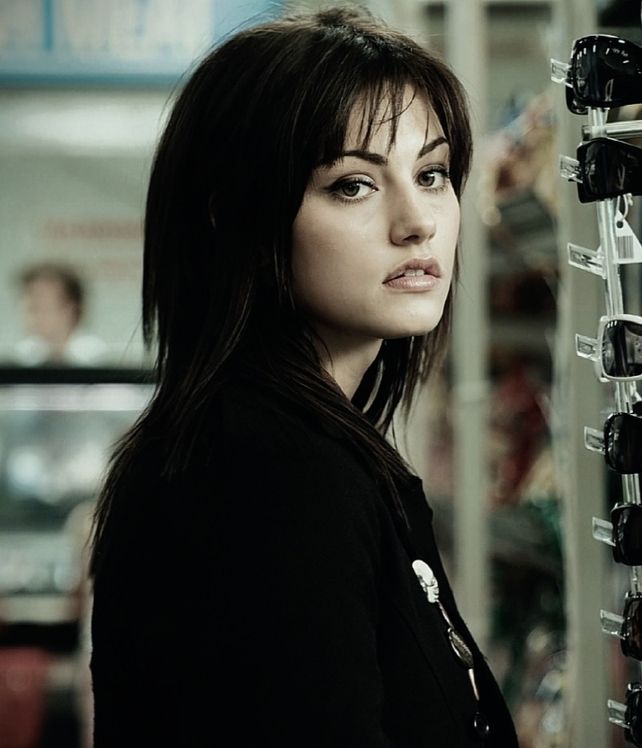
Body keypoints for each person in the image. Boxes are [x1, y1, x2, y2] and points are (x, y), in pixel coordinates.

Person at [88, 6, 518, 747]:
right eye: (353, 184)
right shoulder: (264, 473)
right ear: (236, 215)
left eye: (432, 173)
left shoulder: (302, 447)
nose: (417, 221)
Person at [13, 262, 107, 366]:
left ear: (70, 309)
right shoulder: (19, 359)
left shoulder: (99, 359)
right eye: (30, 308)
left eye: (40, 306)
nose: (32, 316)